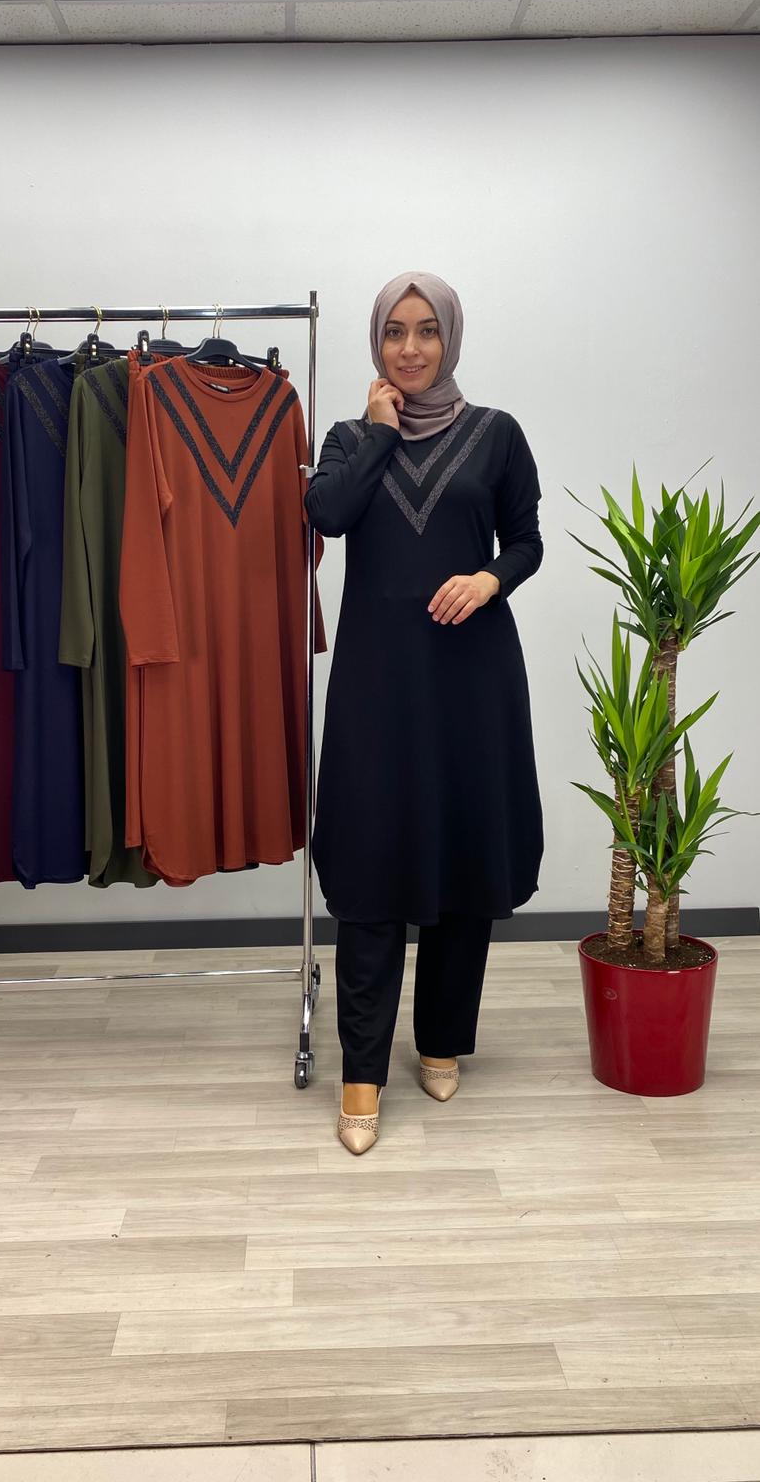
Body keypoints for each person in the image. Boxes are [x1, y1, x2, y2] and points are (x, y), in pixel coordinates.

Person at [304, 272, 544, 1154]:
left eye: (427, 331)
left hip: (470, 678)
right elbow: (326, 514)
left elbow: (526, 540)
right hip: (376, 684)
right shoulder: (347, 438)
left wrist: (488, 580)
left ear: (450, 338)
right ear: (377, 343)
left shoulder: (496, 434)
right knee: (372, 861)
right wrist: (377, 432)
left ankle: (442, 1038)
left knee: (462, 853)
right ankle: (361, 1071)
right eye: (395, 332)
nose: (410, 348)